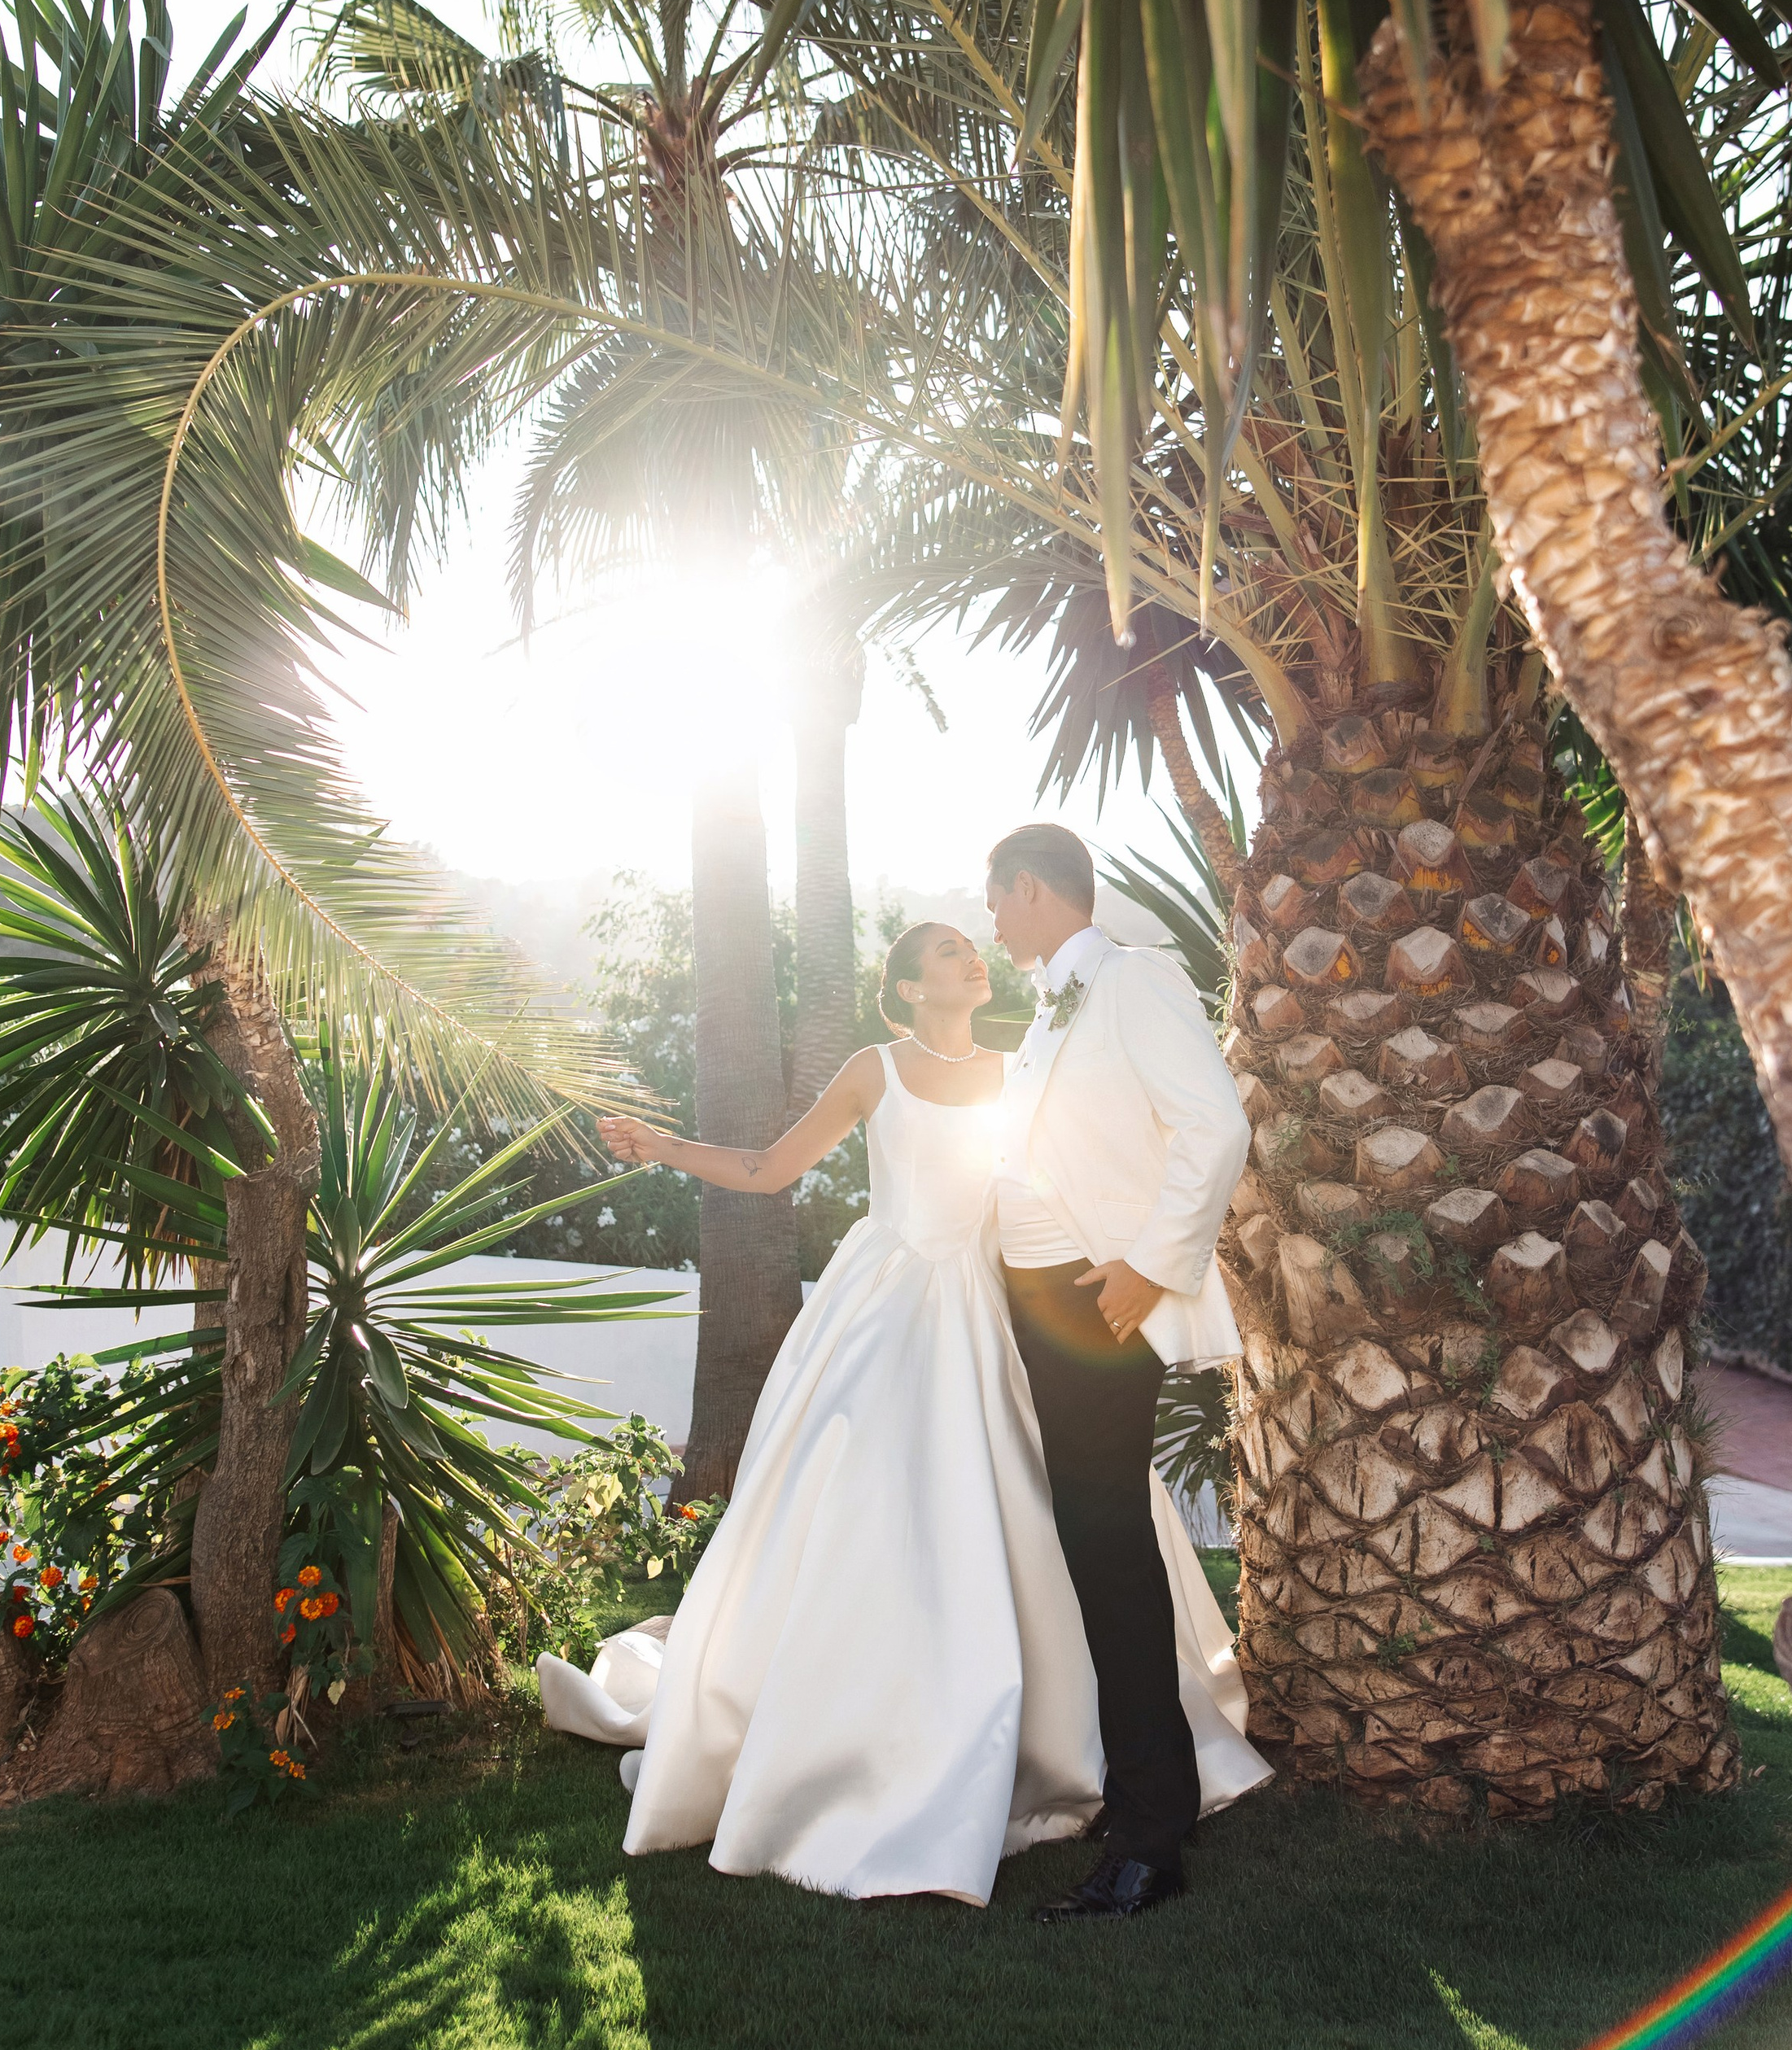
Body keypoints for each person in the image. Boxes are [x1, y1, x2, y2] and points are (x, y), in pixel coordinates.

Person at [541, 909, 1267, 1908]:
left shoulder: (1025, 1065)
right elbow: (766, 1171)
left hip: (1000, 1305)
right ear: (908, 990)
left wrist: (1142, 1253)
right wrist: (660, 1144)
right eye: (944, 954)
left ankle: (1058, 1737)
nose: (971, 955)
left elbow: (1085, 1165)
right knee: (872, 1515)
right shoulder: (872, 1069)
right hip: (887, 1312)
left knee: (1032, 1515)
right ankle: (855, 1742)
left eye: (970, 946)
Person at [982, 823, 1257, 1921]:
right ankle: (1137, 1793)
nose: (990, 921)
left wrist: (1151, 1266)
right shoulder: (1048, 1006)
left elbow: (1216, 1125)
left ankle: (1152, 1836)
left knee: (1110, 1553)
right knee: (1093, 1550)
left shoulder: (1133, 979)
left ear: (1035, 892)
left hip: (1103, 1304)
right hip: (1039, 1301)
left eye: (995, 900)